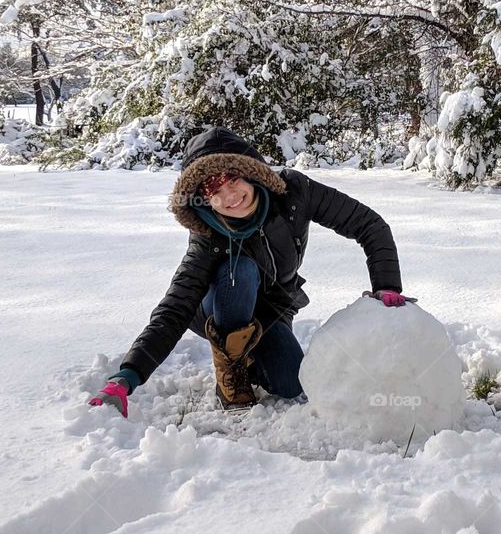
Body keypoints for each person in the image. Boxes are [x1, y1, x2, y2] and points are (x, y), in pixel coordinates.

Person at [88, 127, 413, 418]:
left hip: (271, 309)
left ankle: (251, 356)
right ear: (204, 198)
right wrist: (127, 376)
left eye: (233, 179)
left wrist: (386, 285)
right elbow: (174, 308)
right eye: (214, 190)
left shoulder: (295, 194)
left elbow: (368, 224)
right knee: (238, 270)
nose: (229, 196)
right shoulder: (208, 236)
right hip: (219, 306)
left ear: (252, 173)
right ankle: (230, 365)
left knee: (290, 384)